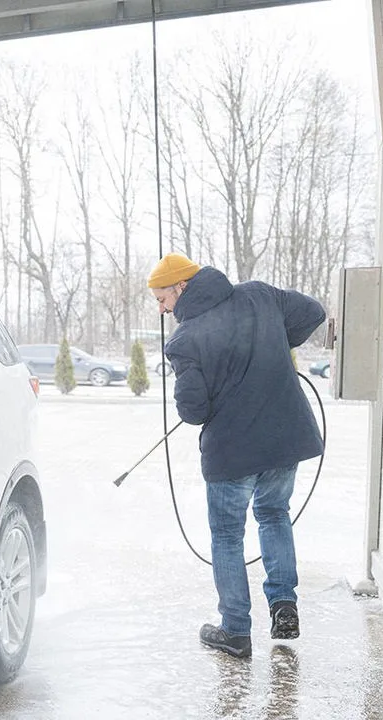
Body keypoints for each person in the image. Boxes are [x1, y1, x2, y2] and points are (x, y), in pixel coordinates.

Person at [148, 253, 325, 660]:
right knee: (274, 515)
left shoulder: (185, 340)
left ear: (181, 287)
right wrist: (275, 343)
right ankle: (284, 606)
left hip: (232, 453)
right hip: (284, 439)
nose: (161, 309)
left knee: (228, 535)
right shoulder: (259, 296)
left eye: (162, 299)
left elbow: (192, 412)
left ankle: (235, 630)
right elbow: (313, 312)